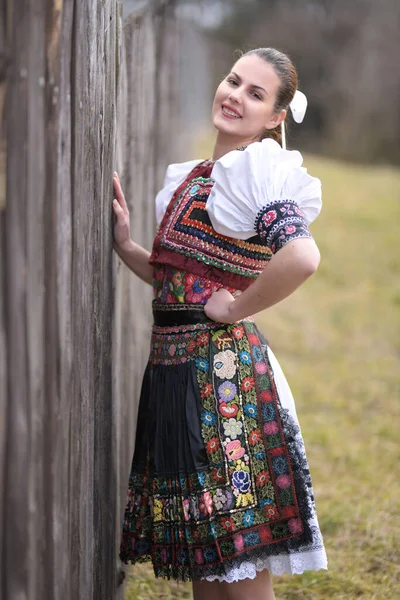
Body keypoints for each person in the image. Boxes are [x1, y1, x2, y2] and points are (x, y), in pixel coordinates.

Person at [113, 47, 328, 600]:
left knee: (241, 571)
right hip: (175, 379)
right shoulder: (198, 175)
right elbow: (177, 287)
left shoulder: (261, 174)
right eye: (234, 80)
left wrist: (236, 309)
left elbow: (302, 257)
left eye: (255, 94)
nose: (235, 95)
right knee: (205, 570)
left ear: (275, 117)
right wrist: (127, 246)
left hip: (224, 387)